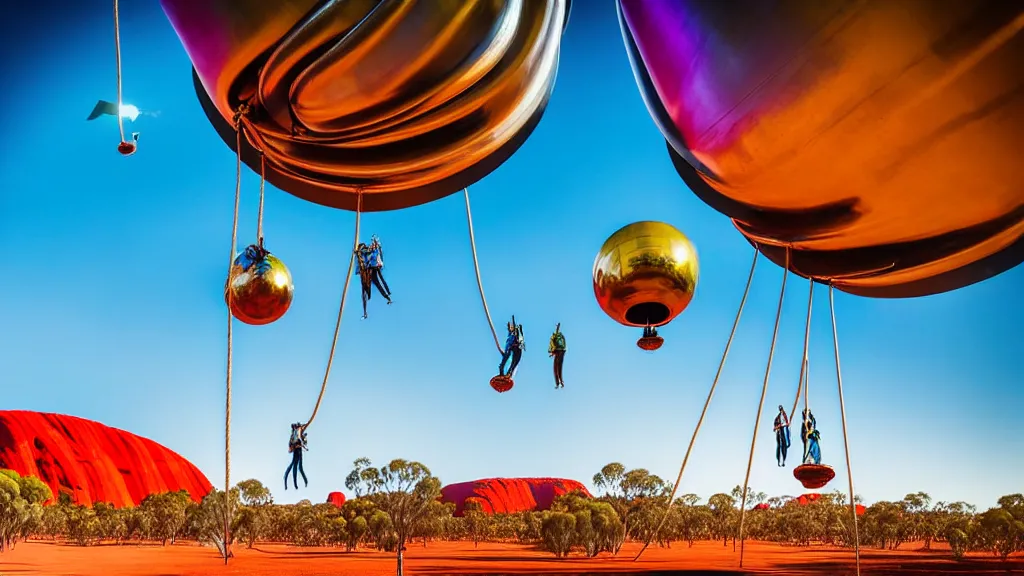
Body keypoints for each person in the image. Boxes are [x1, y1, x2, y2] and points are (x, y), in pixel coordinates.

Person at [356, 240, 391, 319]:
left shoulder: (372, 252)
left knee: (377, 283)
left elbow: (372, 255)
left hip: (371, 270)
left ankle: (387, 296)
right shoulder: (363, 253)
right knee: (364, 291)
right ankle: (365, 312)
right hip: (365, 271)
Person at [284, 422, 308, 490]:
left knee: (298, 467)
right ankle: (294, 484)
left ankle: (302, 483)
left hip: (298, 450)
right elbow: (290, 449)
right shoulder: (294, 434)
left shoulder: (297, 433)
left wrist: (302, 445)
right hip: (297, 450)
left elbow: (303, 442)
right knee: (295, 466)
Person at [548, 323, 566, 389]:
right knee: (558, 368)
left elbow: (553, 347)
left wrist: (557, 327)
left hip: (559, 352)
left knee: (556, 368)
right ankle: (560, 382)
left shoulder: (554, 337)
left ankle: (559, 383)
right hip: (561, 352)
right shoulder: (559, 337)